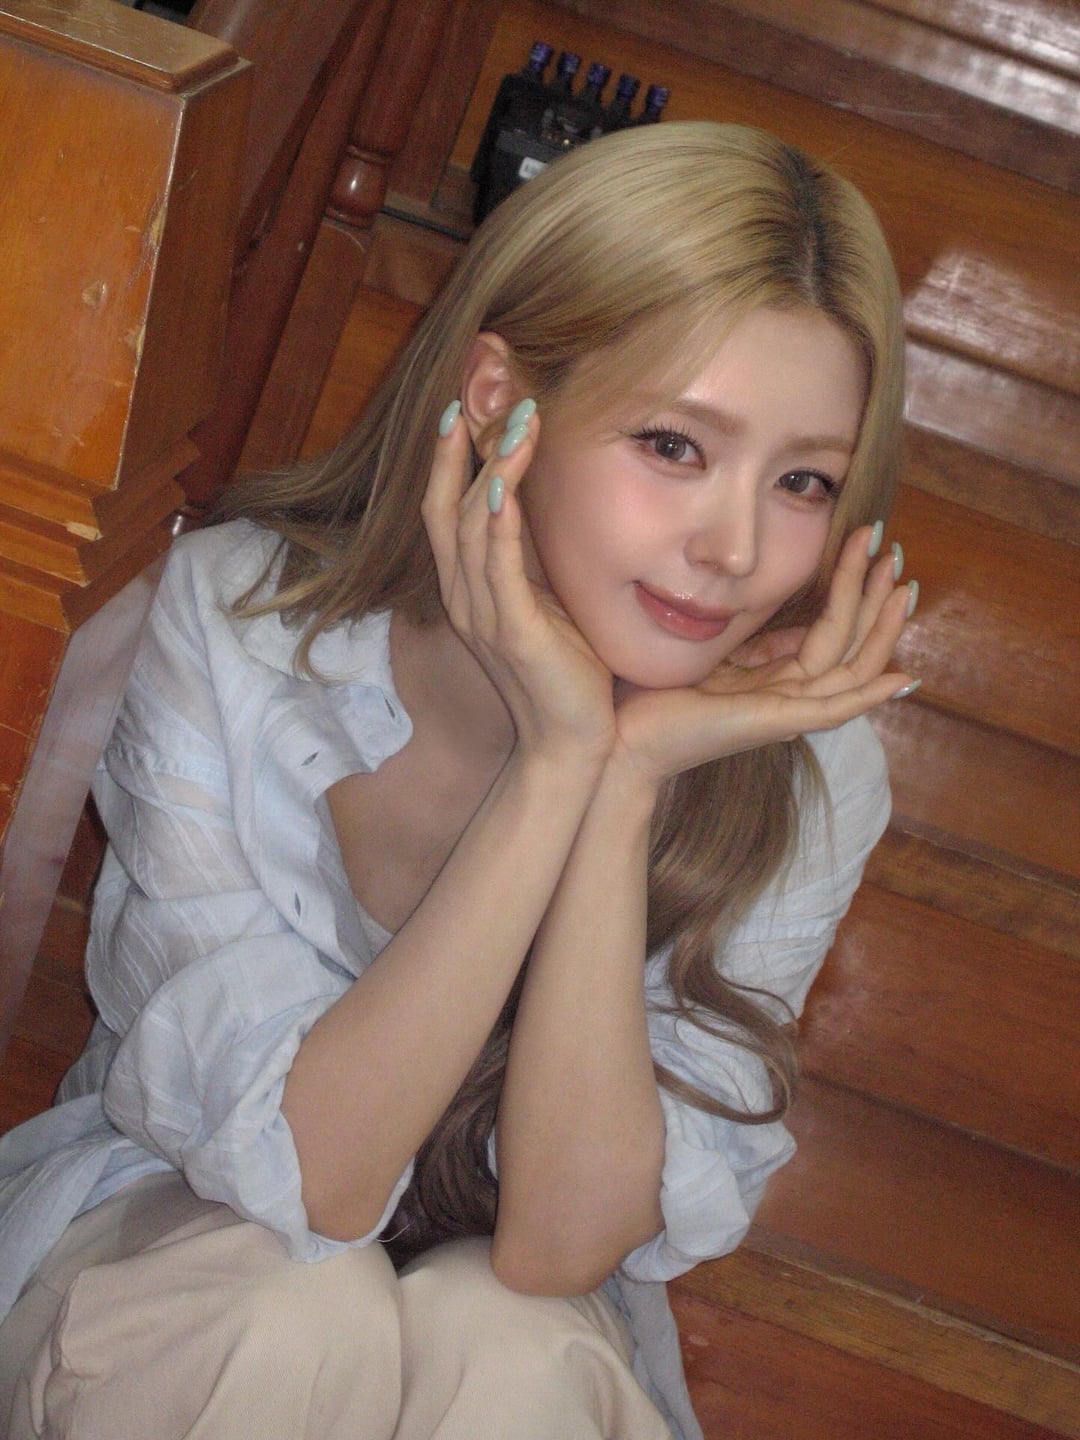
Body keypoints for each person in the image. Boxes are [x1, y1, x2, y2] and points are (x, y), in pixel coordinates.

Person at [0, 120, 917, 1438]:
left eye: (805, 481)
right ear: (497, 399)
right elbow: (315, 1182)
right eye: (673, 446)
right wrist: (555, 761)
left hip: (512, 1325)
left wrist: (620, 785)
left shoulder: (812, 768)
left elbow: (557, 1246)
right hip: (171, 1259)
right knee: (294, 1312)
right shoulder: (236, 624)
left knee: (513, 1354)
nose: (733, 548)